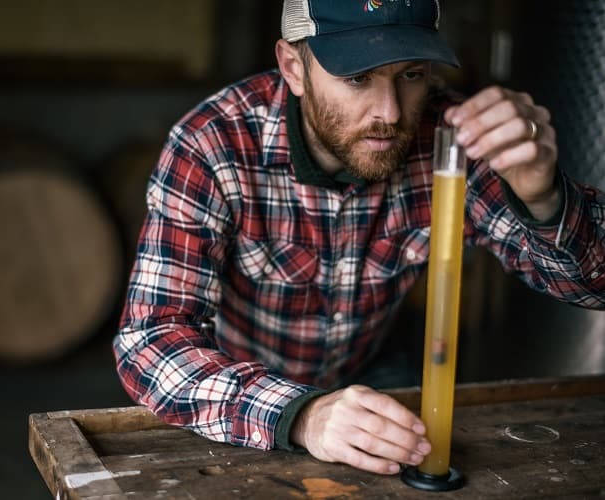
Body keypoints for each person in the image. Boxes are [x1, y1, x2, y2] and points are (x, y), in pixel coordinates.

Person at [114, 0, 605, 476]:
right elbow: (150, 340)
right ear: (293, 68)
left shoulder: (455, 142)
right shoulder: (212, 144)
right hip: (240, 386)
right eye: (356, 78)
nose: (390, 113)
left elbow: (594, 288)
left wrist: (545, 199)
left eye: (411, 74)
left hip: (375, 369)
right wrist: (302, 415)